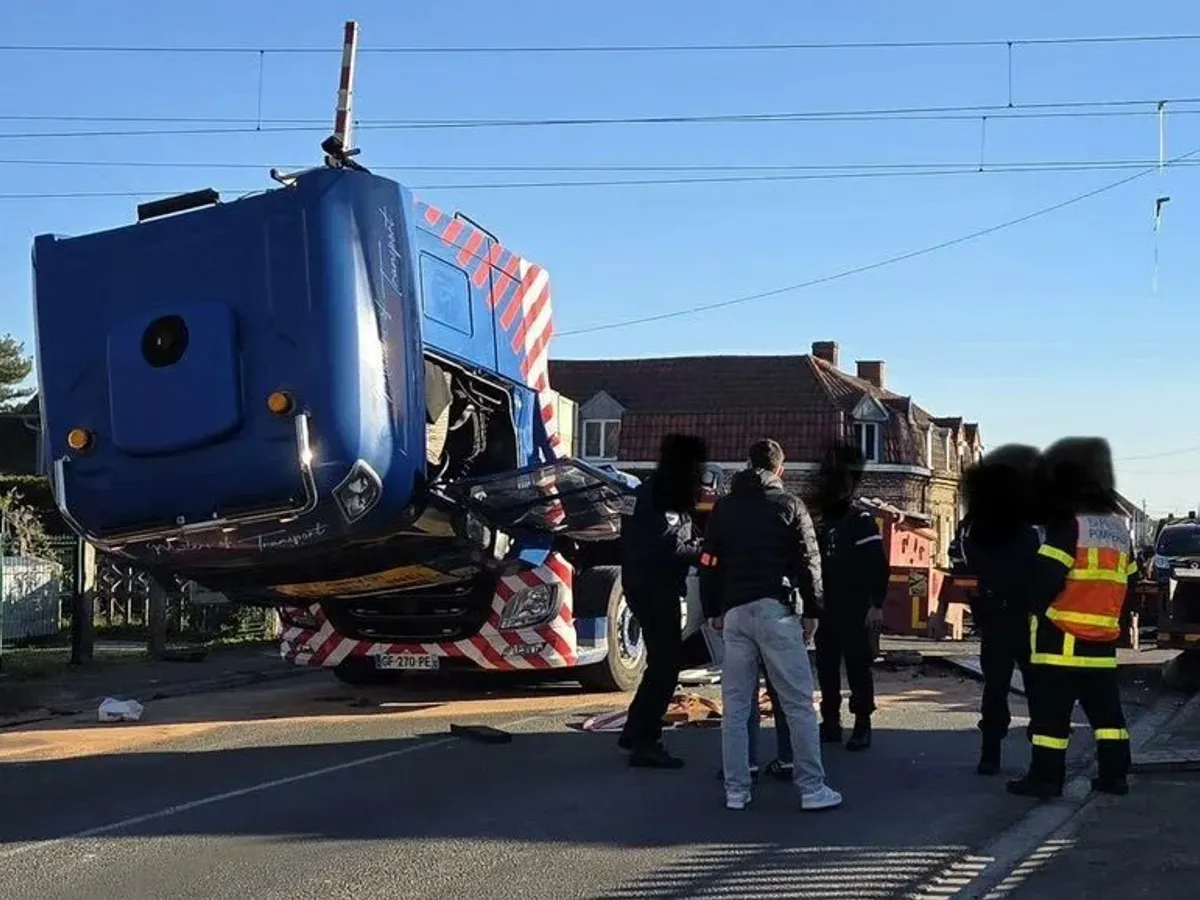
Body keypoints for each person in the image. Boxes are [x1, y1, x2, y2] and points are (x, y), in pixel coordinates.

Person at [699, 438, 842, 811]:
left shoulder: (725, 508)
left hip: (734, 613)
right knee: (797, 704)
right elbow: (810, 561)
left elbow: (709, 561)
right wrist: (813, 611)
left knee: (736, 707)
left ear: (747, 465)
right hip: (776, 610)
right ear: (781, 470)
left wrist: (714, 608)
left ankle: (736, 791)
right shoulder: (790, 505)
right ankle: (812, 789)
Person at [1007, 437, 1139, 800]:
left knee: (1052, 719)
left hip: (1061, 639)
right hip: (1101, 640)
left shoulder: (1070, 525)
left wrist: (1033, 607)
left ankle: (1046, 781)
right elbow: (1130, 579)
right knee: (1108, 717)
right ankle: (1115, 778)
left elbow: (1045, 578)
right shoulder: (1117, 529)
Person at [617, 433, 707, 768]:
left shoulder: (643, 491)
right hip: (657, 588)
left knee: (659, 663)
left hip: (639, 585)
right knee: (667, 666)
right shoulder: (663, 497)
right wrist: (708, 553)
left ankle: (633, 730)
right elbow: (671, 548)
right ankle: (646, 741)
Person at [958, 444, 1043, 775]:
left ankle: (990, 754)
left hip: (995, 616)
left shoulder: (979, 527)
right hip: (1023, 617)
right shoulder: (1026, 529)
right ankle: (1039, 747)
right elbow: (1038, 565)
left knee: (995, 687)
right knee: (1035, 685)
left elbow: (968, 559)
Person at [811, 444, 891, 751]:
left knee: (858, 667)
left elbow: (876, 564)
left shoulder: (860, 521)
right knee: (827, 667)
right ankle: (830, 722)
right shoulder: (820, 522)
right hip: (825, 606)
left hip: (855, 606)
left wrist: (876, 603)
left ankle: (862, 725)